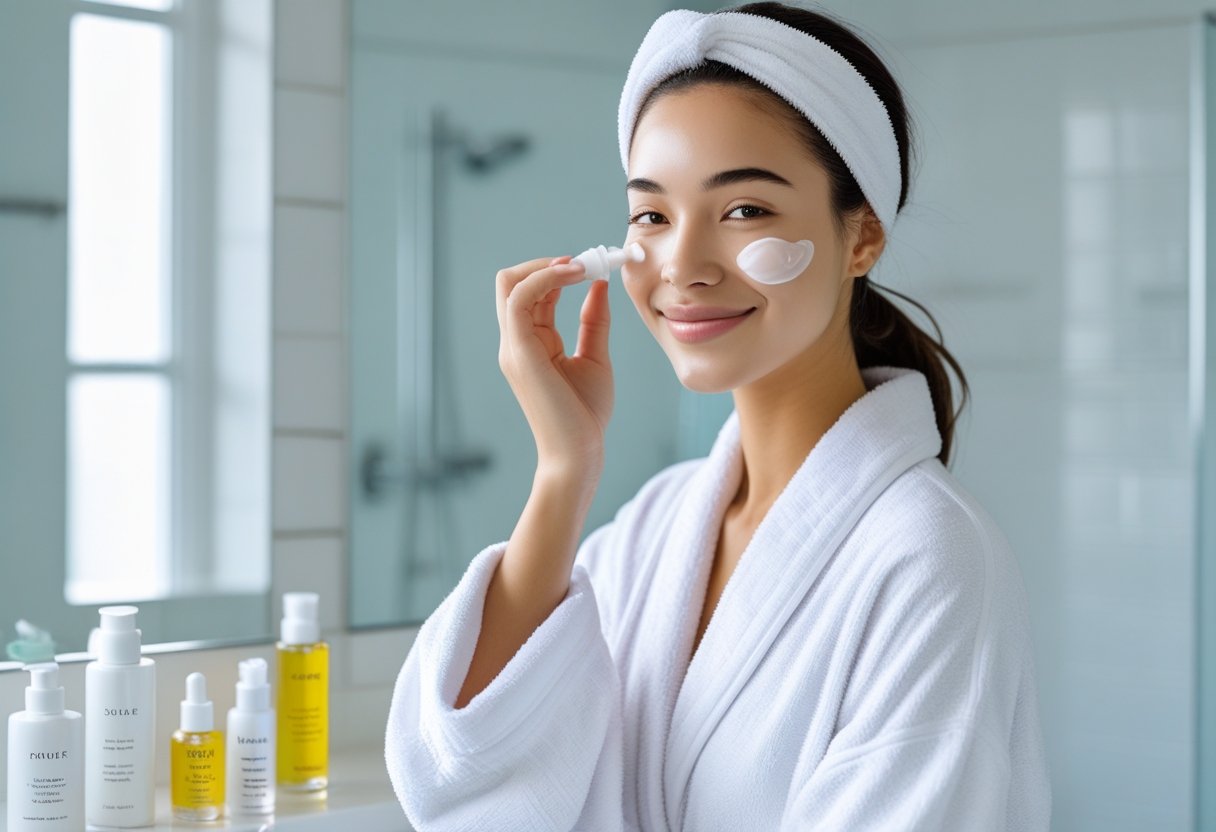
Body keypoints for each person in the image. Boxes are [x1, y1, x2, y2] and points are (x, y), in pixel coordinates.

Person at [384, 3, 1051, 830]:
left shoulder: (929, 556)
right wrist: (565, 470)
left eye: (745, 211)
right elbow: (466, 782)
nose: (683, 267)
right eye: (652, 216)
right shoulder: (659, 525)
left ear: (863, 236)